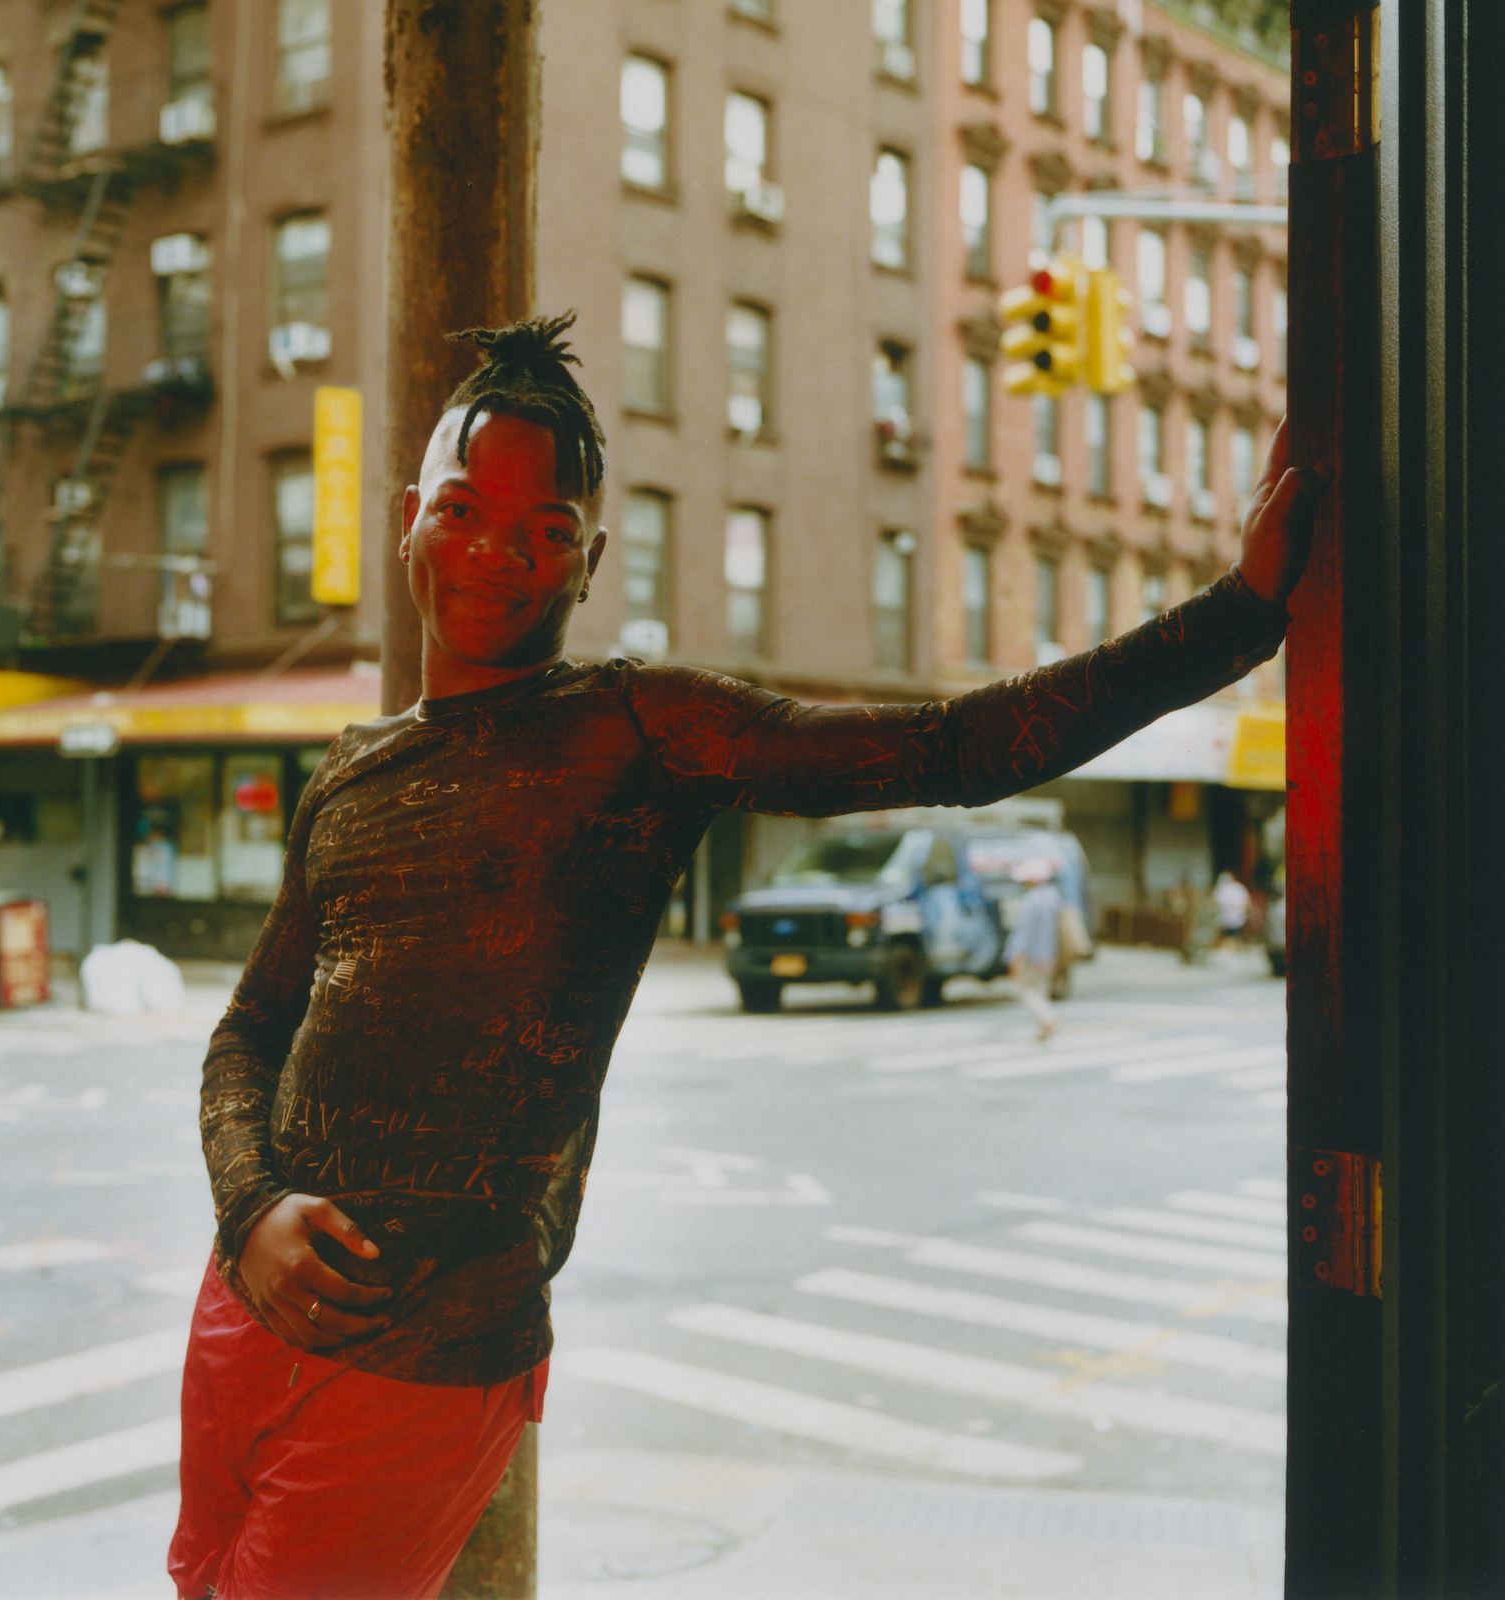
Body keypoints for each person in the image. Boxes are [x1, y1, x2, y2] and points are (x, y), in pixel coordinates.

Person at [169, 313, 1326, 1600]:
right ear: (408, 516)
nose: (500, 552)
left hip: (423, 1354)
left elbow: (950, 745)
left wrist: (1233, 619)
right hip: (237, 1314)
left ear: (588, 560)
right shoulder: (348, 773)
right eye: (464, 510)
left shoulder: (636, 729)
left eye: (545, 530)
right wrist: (249, 1207)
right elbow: (245, 1032)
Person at [1004, 856, 1064, 1042]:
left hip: (1033, 956)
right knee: (1040, 991)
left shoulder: (1032, 901)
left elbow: (1024, 934)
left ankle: (1047, 1020)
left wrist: (1015, 957)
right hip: (1049, 954)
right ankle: (1043, 1027)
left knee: (1026, 991)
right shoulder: (1054, 898)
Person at [1213, 869, 1252, 951]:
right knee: (1228, 935)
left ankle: (1230, 949)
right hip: (1228, 919)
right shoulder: (1225, 888)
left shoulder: (1236, 888)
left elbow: (1246, 903)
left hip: (1232, 918)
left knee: (1231, 936)